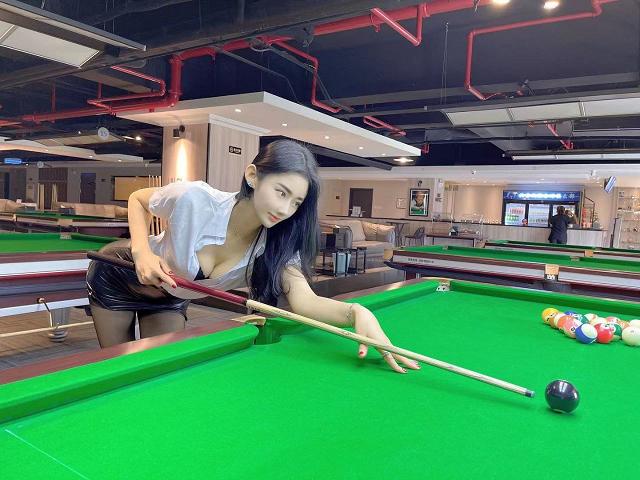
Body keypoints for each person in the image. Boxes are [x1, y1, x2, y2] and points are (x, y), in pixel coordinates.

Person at [86, 140, 419, 374]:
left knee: (160, 371)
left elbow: (304, 301)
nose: (285, 209)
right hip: (119, 275)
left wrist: (355, 312)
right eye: (281, 192)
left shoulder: (276, 249)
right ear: (252, 176)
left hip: (171, 296)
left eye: (296, 202)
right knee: (119, 367)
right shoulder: (195, 198)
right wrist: (142, 253)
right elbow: (138, 199)